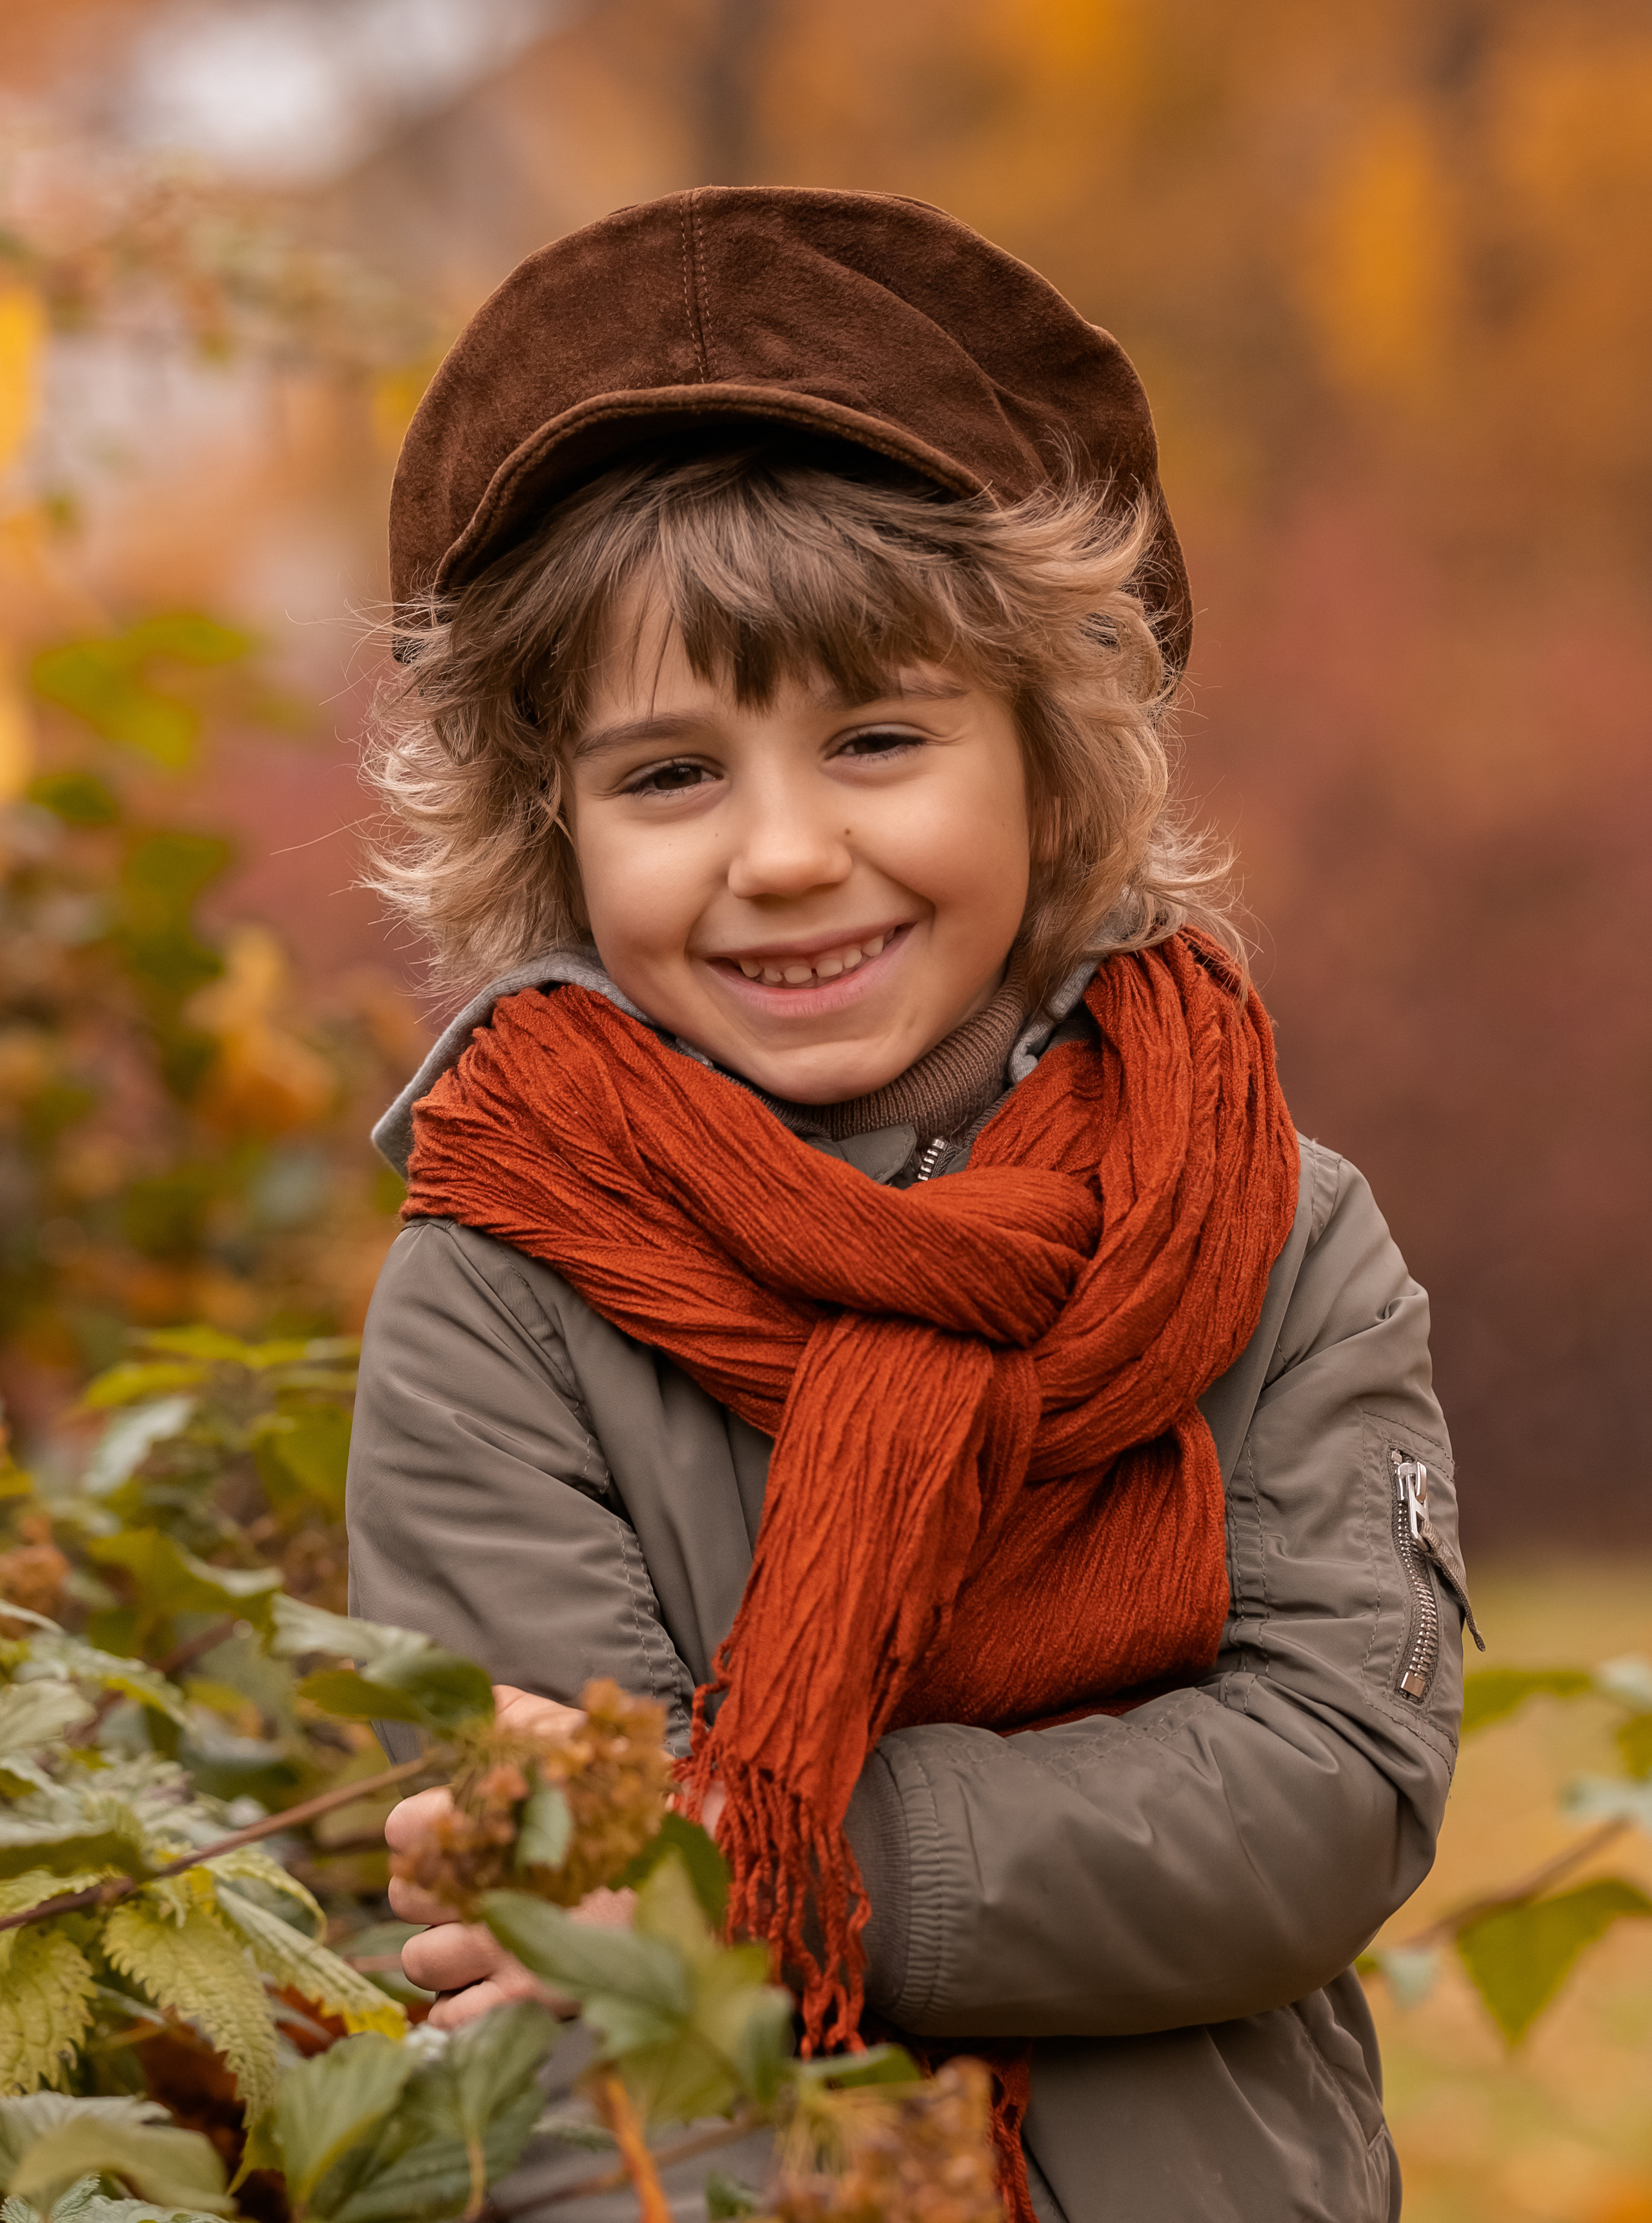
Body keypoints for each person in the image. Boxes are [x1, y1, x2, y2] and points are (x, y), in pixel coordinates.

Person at [347, 186, 1475, 2223]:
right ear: (551, 822)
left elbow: (1326, 1790)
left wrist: (760, 1868)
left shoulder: (1271, 1236)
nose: (785, 854)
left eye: (876, 739)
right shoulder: (500, 1291)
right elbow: (552, 1965)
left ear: (1051, 762)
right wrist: (652, 1897)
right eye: (671, 775)